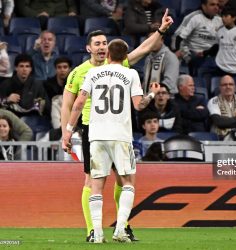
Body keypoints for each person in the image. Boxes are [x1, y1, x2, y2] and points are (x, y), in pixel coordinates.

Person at [60, 9, 173, 242]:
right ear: (88, 48)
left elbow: (144, 48)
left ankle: (120, 226)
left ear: (108, 50)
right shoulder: (79, 72)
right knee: (97, 180)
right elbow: (68, 104)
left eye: (104, 43)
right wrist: (67, 132)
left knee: (118, 181)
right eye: (97, 44)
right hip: (93, 128)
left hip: (106, 131)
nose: (101, 47)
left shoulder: (117, 65)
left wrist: (161, 30)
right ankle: (94, 229)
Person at [0, 54, 51, 136]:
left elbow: (47, 107)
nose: (24, 69)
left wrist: (40, 105)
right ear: (16, 68)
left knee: (25, 122)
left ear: (31, 69)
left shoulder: (37, 85)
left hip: (33, 119)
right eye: (21, 66)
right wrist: (7, 99)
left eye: (27, 66)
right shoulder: (6, 84)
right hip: (11, 119)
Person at [172, 0, 222, 76]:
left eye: (218, 5)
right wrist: (180, 53)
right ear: (203, 6)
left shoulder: (220, 20)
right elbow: (177, 38)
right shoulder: (194, 17)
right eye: (212, 5)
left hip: (212, 55)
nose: (216, 8)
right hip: (193, 55)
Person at [203, 7, 236, 86]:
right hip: (220, 67)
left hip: (235, 70)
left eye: (226, 16)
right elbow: (216, 46)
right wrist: (205, 53)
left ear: (234, 18)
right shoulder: (220, 30)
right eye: (222, 16)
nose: (223, 18)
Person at [207, 75, 236, 140]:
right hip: (220, 138)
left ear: (234, 87)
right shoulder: (213, 101)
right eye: (224, 85)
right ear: (220, 87)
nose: (228, 87)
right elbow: (219, 122)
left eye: (231, 84)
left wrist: (227, 121)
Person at [143, 31, 179, 95]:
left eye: (155, 40)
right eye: (150, 40)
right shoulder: (148, 58)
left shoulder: (170, 57)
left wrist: (153, 95)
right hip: (149, 98)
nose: (152, 43)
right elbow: (146, 81)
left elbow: (169, 83)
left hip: (165, 99)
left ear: (162, 40)